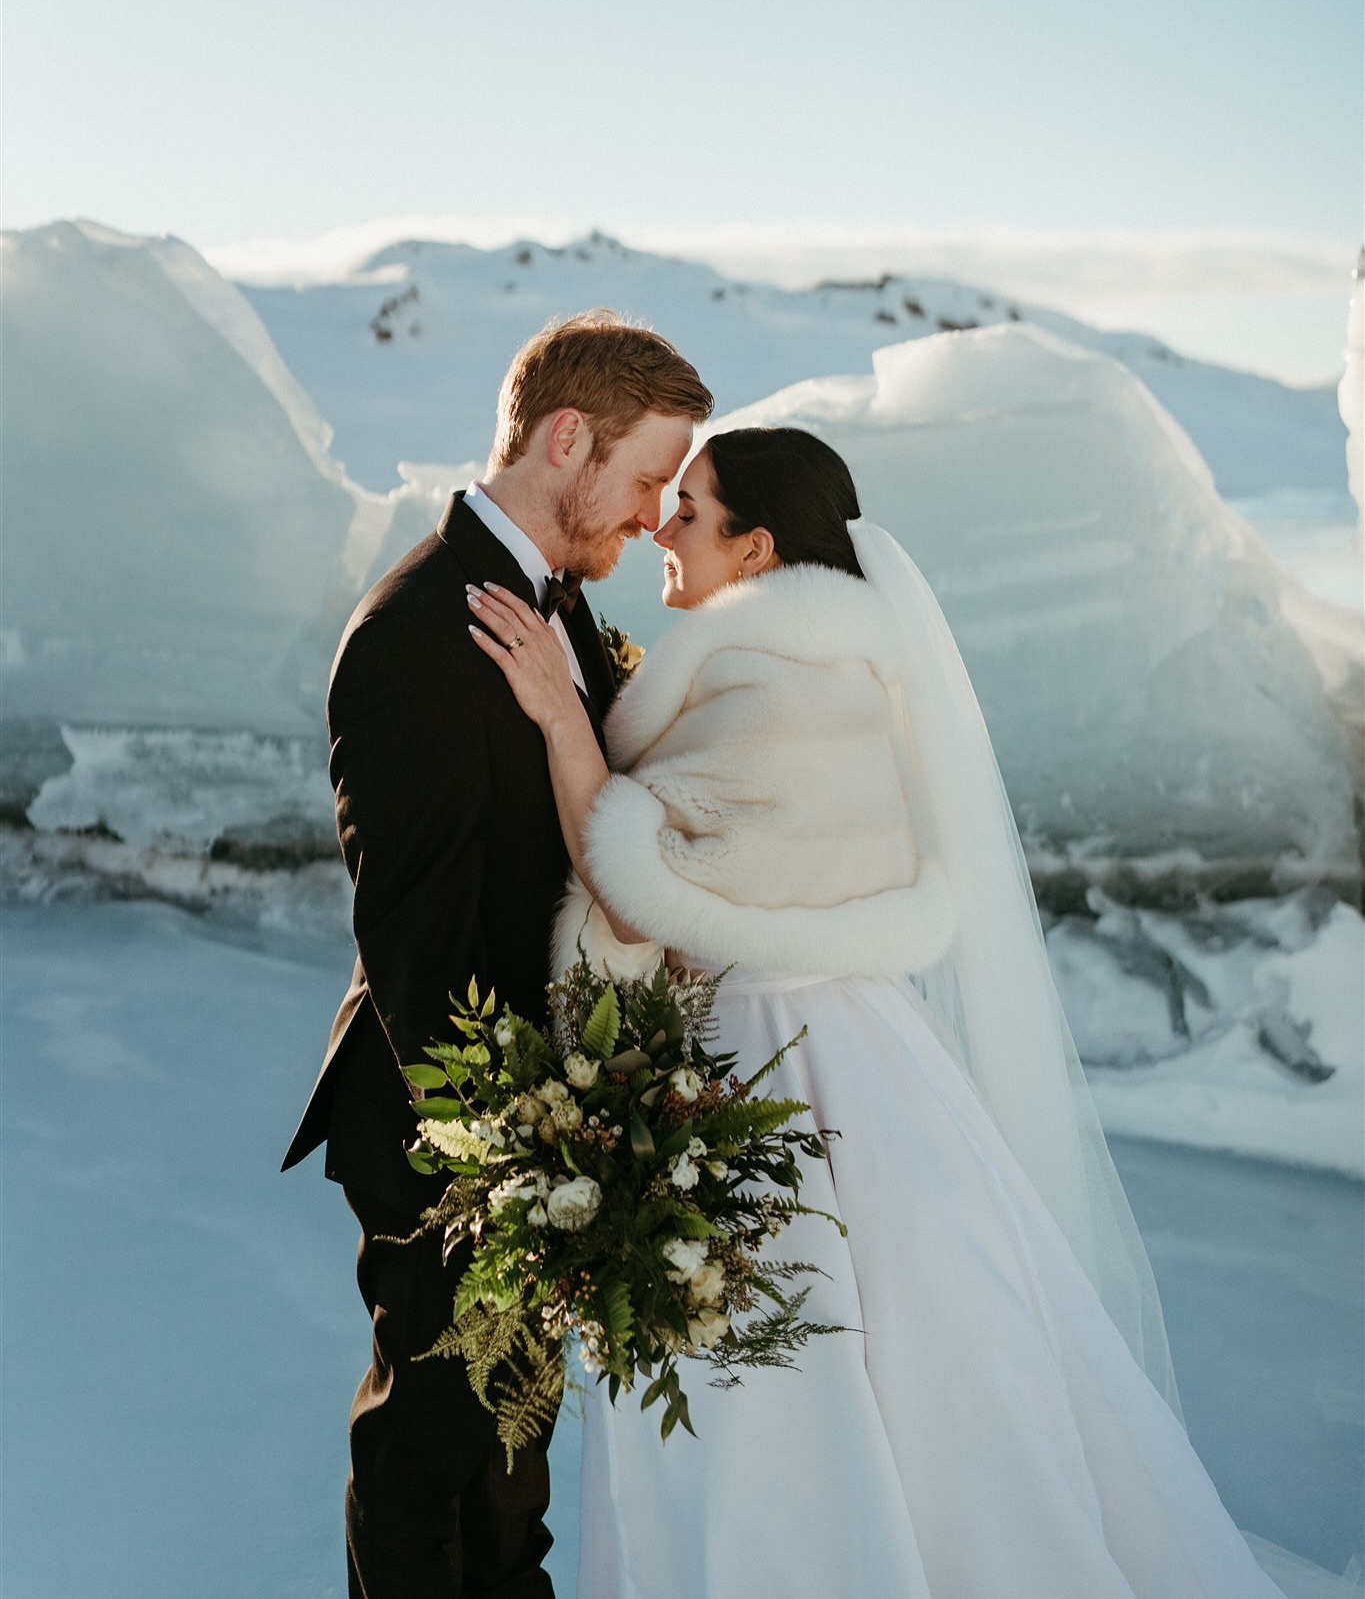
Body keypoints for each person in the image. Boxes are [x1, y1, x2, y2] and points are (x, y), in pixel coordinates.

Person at [465, 425, 1356, 1599]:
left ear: (757, 544)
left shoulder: (764, 683)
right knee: (942, 1376)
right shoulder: (842, 671)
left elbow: (646, 898)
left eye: (690, 510)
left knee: (769, 1402)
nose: (662, 531)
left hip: (771, 1061)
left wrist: (566, 725)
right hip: (869, 1053)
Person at [280, 310, 713, 1599]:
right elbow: (414, 932)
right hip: (441, 1121)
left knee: (511, 1473)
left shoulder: (562, 612)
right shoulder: (414, 629)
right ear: (566, 437)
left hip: (537, 1124)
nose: (651, 516)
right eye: (644, 479)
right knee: (429, 1454)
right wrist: (511, 1149)